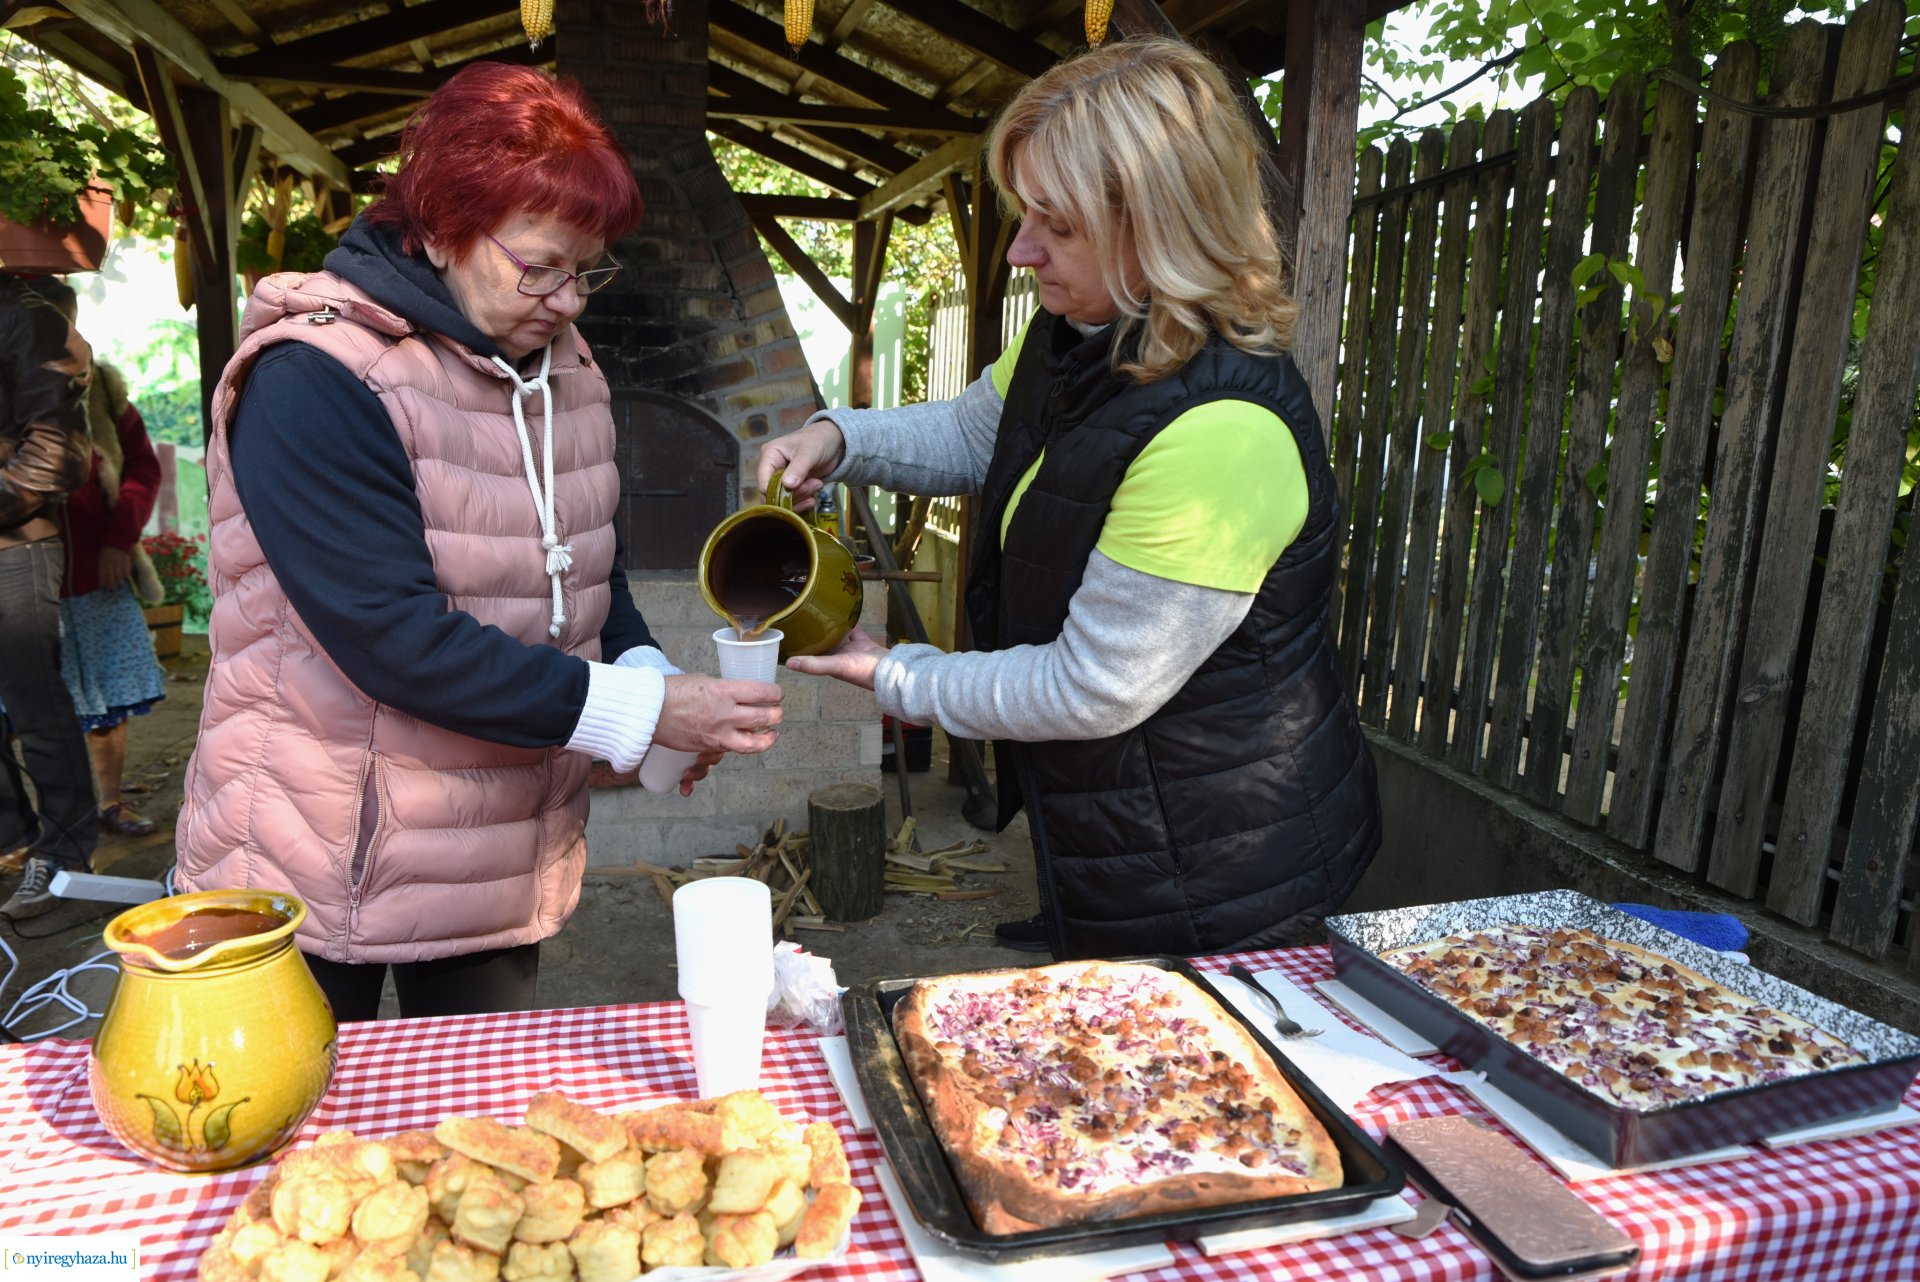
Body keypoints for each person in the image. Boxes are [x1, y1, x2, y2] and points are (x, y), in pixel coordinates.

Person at [176, 63, 785, 1020]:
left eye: (588, 270)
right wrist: (634, 715)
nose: (570, 299)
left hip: (498, 850)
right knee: (299, 1131)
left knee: (470, 1128)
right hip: (321, 838)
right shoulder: (318, 377)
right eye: (540, 266)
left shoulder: (564, 369)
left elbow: (593, 564)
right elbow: (395, 641)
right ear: (442, 224)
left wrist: (651, 674)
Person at [759, 38, 1382, 961]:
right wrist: (838, 438)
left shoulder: (1224, 433)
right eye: (1023, 214)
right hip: (1124, 831)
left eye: (1057, 222)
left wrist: (894, 674)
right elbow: (977, 434)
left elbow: (1091, 689)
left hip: (1225, 872)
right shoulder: (1078, 330)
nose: (1019, 251)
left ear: (1161, 223)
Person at [29, 280, 168, 841]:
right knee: (29, 711)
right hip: (24, 583)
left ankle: (110, 804)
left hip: (96, 577)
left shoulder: (103, 393)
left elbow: (144, 469)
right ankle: (42, 822)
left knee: (110, 701)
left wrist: (117, 539)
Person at [0, 271, 98, 919]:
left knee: (37, 706)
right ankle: (12, 840)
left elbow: (57, 450)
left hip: (15, 543)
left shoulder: (21, 314)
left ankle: (63, 855)